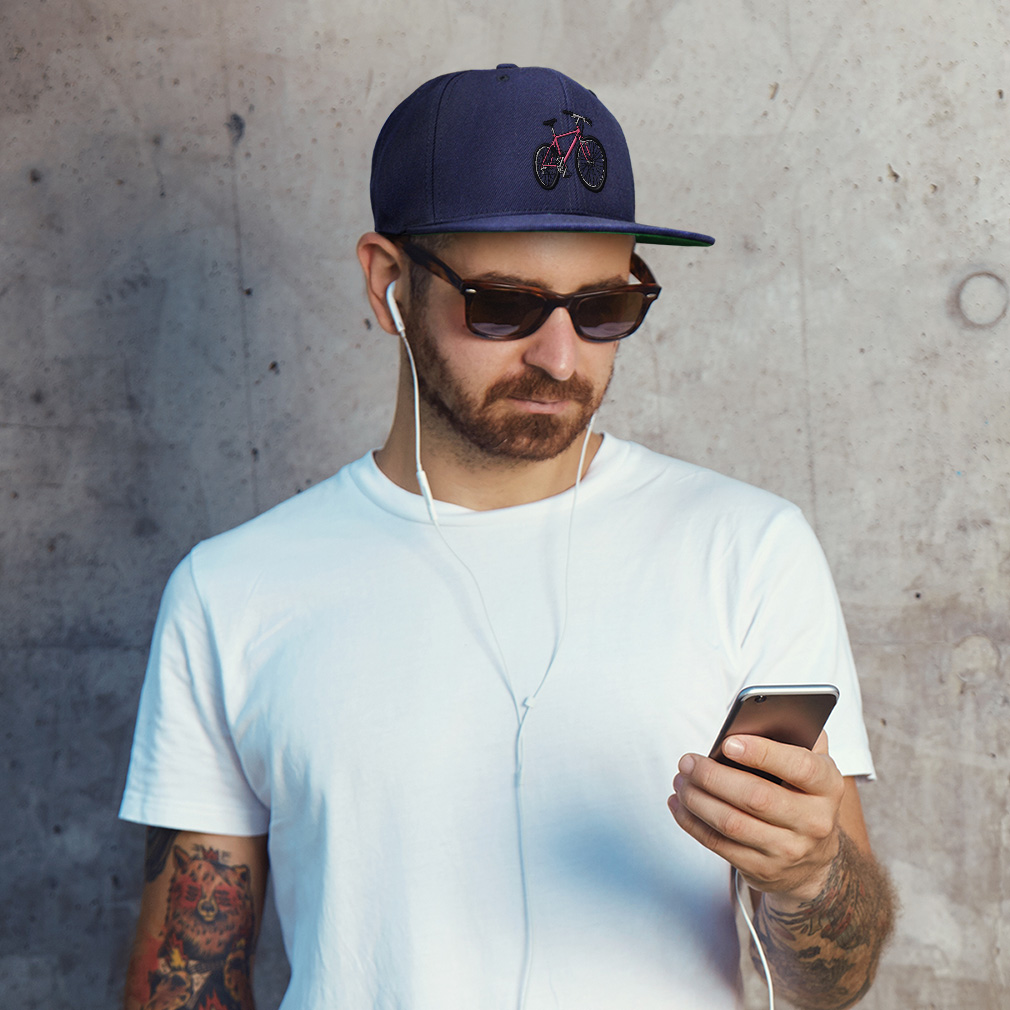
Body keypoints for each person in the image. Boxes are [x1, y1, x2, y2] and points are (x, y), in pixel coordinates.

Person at [120, 65, 894, 1010]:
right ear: (388, 283)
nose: (560, 358)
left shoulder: (748, 549)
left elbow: (834, 983)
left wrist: (808, 879)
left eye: (604, 308)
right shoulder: (233, 591)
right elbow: (184, 983)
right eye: (503, 305)